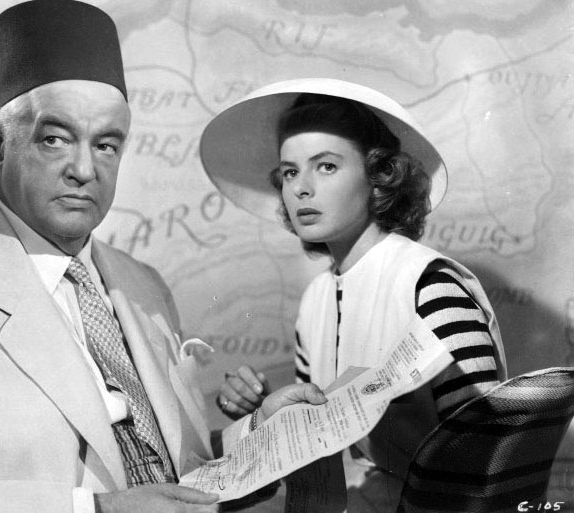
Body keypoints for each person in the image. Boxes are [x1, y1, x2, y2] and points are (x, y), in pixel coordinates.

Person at [0, 3, 325, 513]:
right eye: (54, 139)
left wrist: (258, 438)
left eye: (106, 145)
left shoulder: (142, 283)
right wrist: (100, 510)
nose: (84, 169)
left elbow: (166, 474)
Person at [200, 78, 508, 512]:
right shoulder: (317, 299)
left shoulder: (428, 284)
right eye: (290, 172)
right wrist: (265, 414)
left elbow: (487, 452)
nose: (301, 188)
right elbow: (320, 442)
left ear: (379, 177)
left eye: (326, 166)